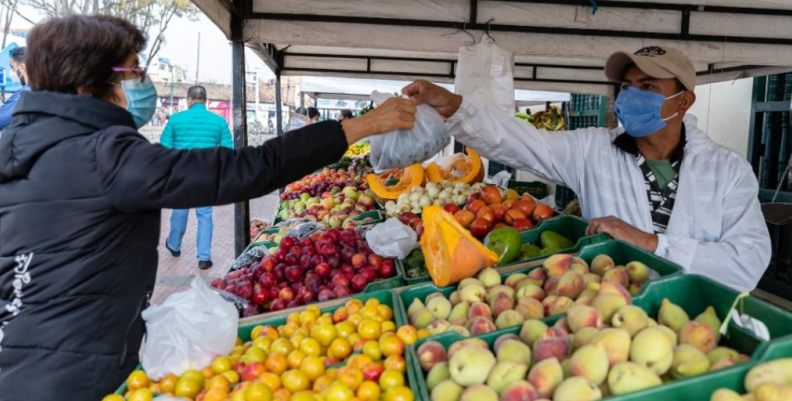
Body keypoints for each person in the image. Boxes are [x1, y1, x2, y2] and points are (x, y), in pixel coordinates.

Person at [0, 15, 415, 400]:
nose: (139, 85)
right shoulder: (101, 154)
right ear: (86, 84)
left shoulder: (18, 146)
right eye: (131, 73)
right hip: (70, 377)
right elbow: (246, 170)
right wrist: (362, 125)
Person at [403, 45, 770, 293]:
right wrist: (454, 106)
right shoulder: (594, 149)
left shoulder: (728, 170)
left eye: (647, 86)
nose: (630, 96)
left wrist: (650, 243)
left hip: (701, 325)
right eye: (626, 85)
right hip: (610, 317)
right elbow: (519, 140)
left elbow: (748, 262)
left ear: (684, 100)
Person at [160, 85, 233, 269]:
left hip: (181, 174)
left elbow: (165, 148)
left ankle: (174, 245)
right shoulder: (219, 122)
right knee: (205, 215)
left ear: (189, 100)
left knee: (180, 211)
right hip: (207, 175)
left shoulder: (175, 120)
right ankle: (204, 257)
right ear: (206, 101)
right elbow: (228, 152)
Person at [0, 47, 30, 130]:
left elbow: (1, 119)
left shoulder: (24, 95)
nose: (11, 72)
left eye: (12, 67)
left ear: (22, 67)